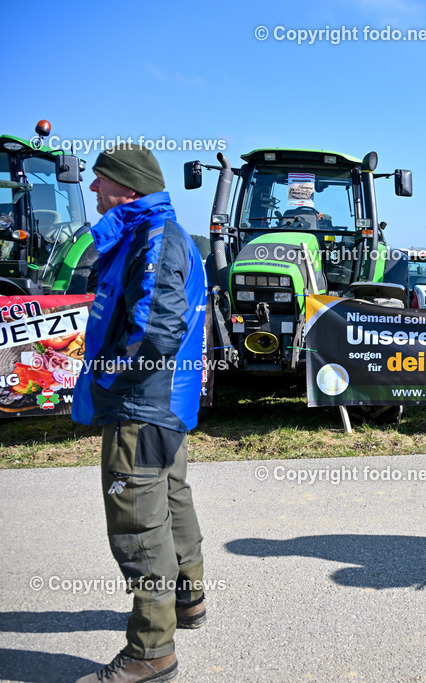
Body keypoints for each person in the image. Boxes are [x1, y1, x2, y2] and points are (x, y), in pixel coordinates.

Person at [73, 145, 208, 682]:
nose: (92, 189)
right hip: (163, 402)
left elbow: (157, 327)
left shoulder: (152, 237)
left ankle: (152, 653)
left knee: (138, 525)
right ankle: (188, 600)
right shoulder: (158, 232)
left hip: (141, 403)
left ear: (127, 188)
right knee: (171, 500)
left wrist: (109, 376)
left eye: (100, 180)